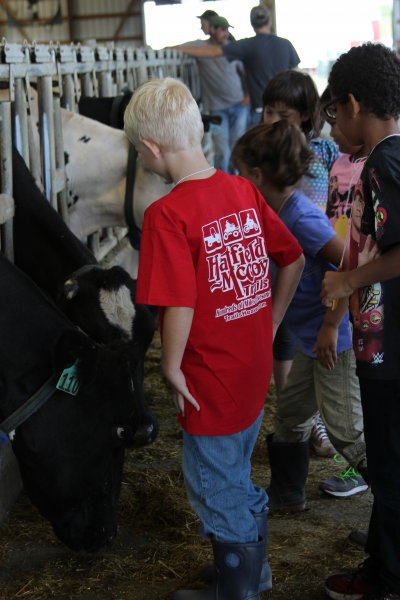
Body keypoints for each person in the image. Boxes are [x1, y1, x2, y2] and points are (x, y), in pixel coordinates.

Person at [123, 77, 305, 599]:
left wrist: (169, 365)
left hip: (208, 379)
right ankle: (252, 570)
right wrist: (271, 320)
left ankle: (237, 589)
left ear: (151, 149)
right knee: (238, 472)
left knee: (216, 485)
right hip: (250, 373)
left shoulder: (166, 214)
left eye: (141, 152)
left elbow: (179, 300)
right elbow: (291, 256)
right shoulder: (241, 189)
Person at [232, 120, 367, 513]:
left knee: (346, 431)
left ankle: (388, 501)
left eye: (241, 175)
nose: (239, 182)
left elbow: (348, 264)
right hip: (309, 337)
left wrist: (330, 326)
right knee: (291, 413)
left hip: (332, 340)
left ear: (257, 176)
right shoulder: (274, 212)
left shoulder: (300, 217)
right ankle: (288, 494)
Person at [320, 42, 400, 600]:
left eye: (332, 116)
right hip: (384, 343)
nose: (332, 131)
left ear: (352, 104)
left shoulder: (383, 161)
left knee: (392, 466)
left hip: (388, 347)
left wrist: (348, 281)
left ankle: (390, 579)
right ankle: (381, 561)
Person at [262, 69, 341, 460]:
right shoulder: (265, 150)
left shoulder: (313, 158)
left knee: (304, 342)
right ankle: (296, 417)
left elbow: (309, 219)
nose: (273, 122)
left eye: (284, 115)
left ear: (306, 118)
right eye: (268, 112)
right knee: (284, 335)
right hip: (280, 264)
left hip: (308, 268)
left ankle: (318, 424)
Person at [174, 4, 300, 128]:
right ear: (270, 20)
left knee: (259, 147)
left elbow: (213, 52)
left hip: (260, 111)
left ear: (252, 24)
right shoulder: (286, 44)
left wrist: (176, 48)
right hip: (286, 111)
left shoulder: (247, 45)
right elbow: (298, 76)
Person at [178, 16, 249, 173]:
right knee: (222, 150)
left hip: (238, 104)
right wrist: (160, 51)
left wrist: (247, 95)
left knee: (238, 147)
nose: (226, 33)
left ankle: (235, 182)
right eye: (222, 30)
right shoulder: (199, 46)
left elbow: (245, 72)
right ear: (213, 30)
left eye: (227, 30)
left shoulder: (232, 48)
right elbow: (178, 48)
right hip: (217, 108)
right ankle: (223, 183)